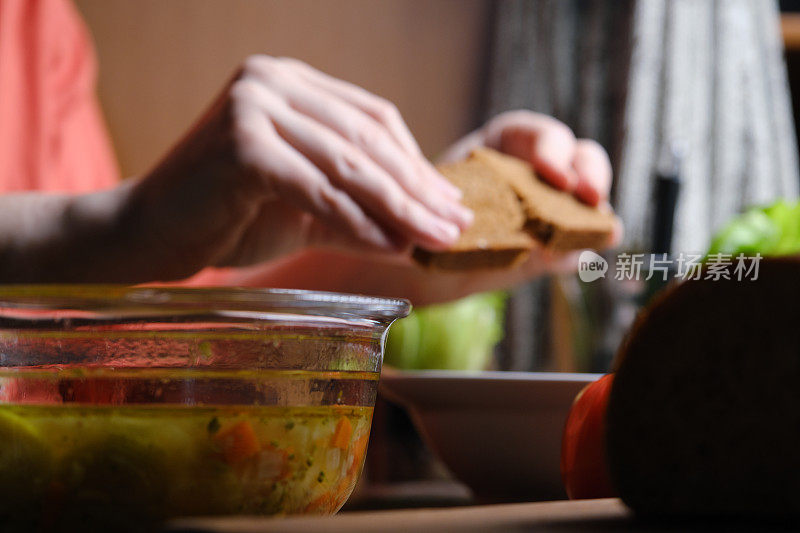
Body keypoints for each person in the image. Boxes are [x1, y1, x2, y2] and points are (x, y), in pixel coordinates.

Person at [0, 0, 617, 305]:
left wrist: (412, 231)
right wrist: (119, 222)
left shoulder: (36, 22)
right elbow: (112, 242)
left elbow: (117, 313)